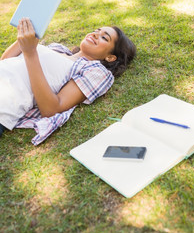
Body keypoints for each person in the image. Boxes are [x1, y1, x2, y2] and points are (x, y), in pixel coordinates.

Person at [0, 18, 136, 144]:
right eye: (96, 31)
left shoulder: (95, 71)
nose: (95, 34)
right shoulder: (57, 48)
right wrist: (26, 36)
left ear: (111, 57)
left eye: (104, 37)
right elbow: (6, 62)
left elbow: (52, 109)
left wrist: (30, 53)